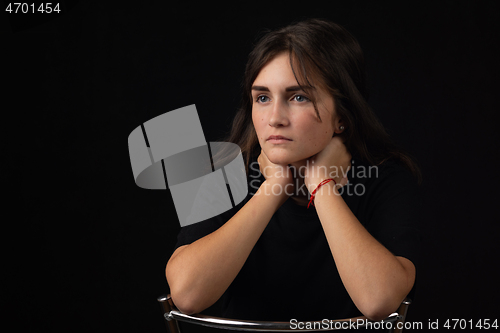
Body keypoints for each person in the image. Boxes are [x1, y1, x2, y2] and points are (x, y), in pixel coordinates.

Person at [165, 18, 422, 323]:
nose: (274, 118)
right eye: (262, 98)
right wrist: (274, 188)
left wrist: (321, 185)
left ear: (342, 114)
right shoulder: (224, 173)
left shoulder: (385, 179)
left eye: (298, 97)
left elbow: (379, 301)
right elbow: (187, 294)